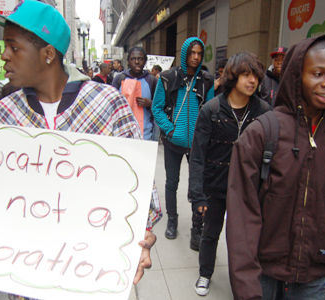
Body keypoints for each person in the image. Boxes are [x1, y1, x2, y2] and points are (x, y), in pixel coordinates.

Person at [0, 1, 161, 299]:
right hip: (26, 279)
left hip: (92, 275)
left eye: (13, 47)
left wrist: (142, 236)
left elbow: (141, 191)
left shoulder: (107, 105)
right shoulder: (3, 116)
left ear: (48, 54)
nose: (3, 56)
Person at [226, 35, 325, 300]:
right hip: (262, 276)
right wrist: (247, 290)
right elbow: (242, 219)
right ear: (296, 74)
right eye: (319, 73)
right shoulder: (261, 134)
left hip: (316, 279)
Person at [189, 52, 270, 296]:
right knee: (210, 233)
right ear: (233, 76)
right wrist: (198, 195)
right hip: (215, 184)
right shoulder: (211, 109)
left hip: (247, 187)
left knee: (244, 241)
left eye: (255, 75)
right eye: (246, 74)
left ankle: (243, 285)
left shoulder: (264, 111)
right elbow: (198, 155)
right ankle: (205, 274)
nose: (252, 80)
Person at [152, 37, 214, 246]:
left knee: (199, 186)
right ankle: (172, 220)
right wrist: (170, 130)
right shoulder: (168, 77)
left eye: (199, 53)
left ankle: (197, 227)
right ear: (185, 54)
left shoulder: (206, 81)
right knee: (172, 182)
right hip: (173, 142)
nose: (196, 57)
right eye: (192, 53)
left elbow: (212, 111)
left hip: (197, 145)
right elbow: (157, 108)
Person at [112, 47, 157, 141]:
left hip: (145, 135)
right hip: (122, 134)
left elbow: (161, 107)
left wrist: (150, 103)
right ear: (128, 61)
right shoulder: (119, 79)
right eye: (133, 59)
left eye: (140, 59)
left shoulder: (152, 80)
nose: (137, 62)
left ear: (145, 61)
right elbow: (111, 105)